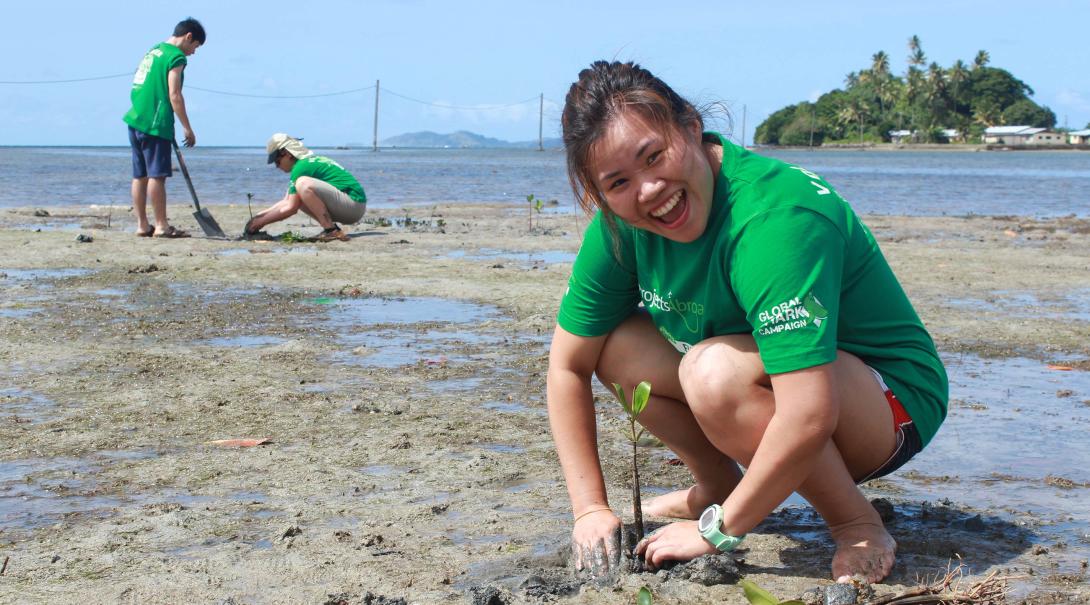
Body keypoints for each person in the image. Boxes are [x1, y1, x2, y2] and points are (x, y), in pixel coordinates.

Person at [547, 61, 948, 584]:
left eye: (655, 156)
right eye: (619, 182)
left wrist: (717, 532)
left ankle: (856, 521)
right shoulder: (620, 230)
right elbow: (566, 369)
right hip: (777, 389)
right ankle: (716, 485)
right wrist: (590, 510)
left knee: (713, 373)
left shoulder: (774, 217)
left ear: (691, 126)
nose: (648, 191)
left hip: (886, 404)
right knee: (615, 347)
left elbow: (808, 411)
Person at [123, 17, 205, 238]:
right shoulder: (175, 56)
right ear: (188, 37)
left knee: (139, 175)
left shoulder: (154, 51)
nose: (193, 52)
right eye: (195, 46)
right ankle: (161, 226)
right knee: (156, 176)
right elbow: (175, 94)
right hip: (155, 123)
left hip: (136, 118)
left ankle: (142, 225)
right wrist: (187, 128)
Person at [243, 134, 367, 242]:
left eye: (277, 161)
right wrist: (258, 217)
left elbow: (290, 209)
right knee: (297, 194)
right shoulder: (305, 163)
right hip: (351, 206)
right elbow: (286, 202)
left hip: (353, 204)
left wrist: (258, 223)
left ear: (287, 154)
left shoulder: (301, 167)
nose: (277, 166)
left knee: (302, 184)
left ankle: (330, 230)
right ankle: (330, 228)